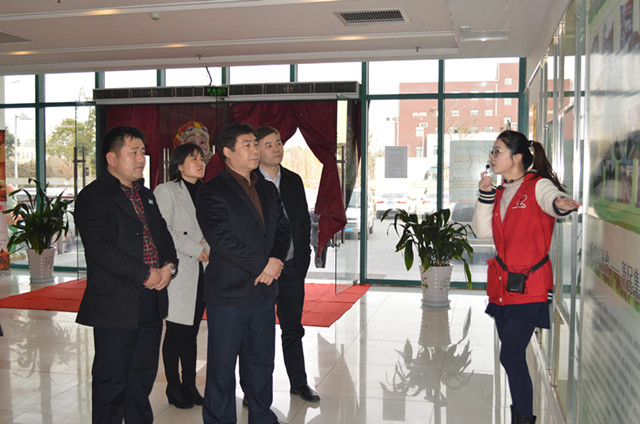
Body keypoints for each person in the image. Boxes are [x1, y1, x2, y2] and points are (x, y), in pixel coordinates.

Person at [471, 130, 581, 424]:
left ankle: (525, 418)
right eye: (492, 151)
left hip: (531, 287)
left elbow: (551, 200)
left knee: (510, 355)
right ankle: (521, 415)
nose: (492, 157)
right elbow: (481, 232)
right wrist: (485, 195)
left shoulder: (538, 185)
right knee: (513, 357)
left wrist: (560, 204)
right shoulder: (500, 191)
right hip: (502, 285)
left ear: (517, 157)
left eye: (497, 151)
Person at [75, 125, 178, 424]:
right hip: (115, 304)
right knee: (111, 382)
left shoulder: (146, 195)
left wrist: (169, 267)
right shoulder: (93, 196)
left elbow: (163, 236)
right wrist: (145, 274)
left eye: (143, 151)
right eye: (133, 152)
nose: (141, 158)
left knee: (141, 381)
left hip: (151, 301)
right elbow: (100, 248)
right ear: (111, 158)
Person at [196, 122, 291, 424]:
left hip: (263, 291)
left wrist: (275, 260)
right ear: (227, 151)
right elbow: (222, 239)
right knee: (222, 368)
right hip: (229, 294)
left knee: (262, 363)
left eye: (255, 144)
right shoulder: (211, 191)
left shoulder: (266, 187)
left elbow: (283, 228)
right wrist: (263, 265)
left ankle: (262, 416)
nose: (254, 150)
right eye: (247, 145)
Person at [251, 125, 319, 402]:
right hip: (262, 270)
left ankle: (299, 383)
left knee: (293, 328)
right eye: (269, 144)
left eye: (278, 142)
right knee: (258, 331)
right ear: (256, 150)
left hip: (291, 266)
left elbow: (302, 220)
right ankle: (254, 389)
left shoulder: (292, 180)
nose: (276, 148)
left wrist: (304, 256)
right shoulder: (249, 181)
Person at [154, 143, 209, 409]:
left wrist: (206, 249)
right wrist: (196, 250)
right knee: (176, 331)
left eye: (202, 159)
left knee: (192, 332)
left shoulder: (207, 192)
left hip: (203, 270)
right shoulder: (166, 190)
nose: (200, 163)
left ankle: (190, 385)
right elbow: (163, 230)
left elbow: (214, 228)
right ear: (179, 164)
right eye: (193, 159)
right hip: (180, 270)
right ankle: (173, 387)